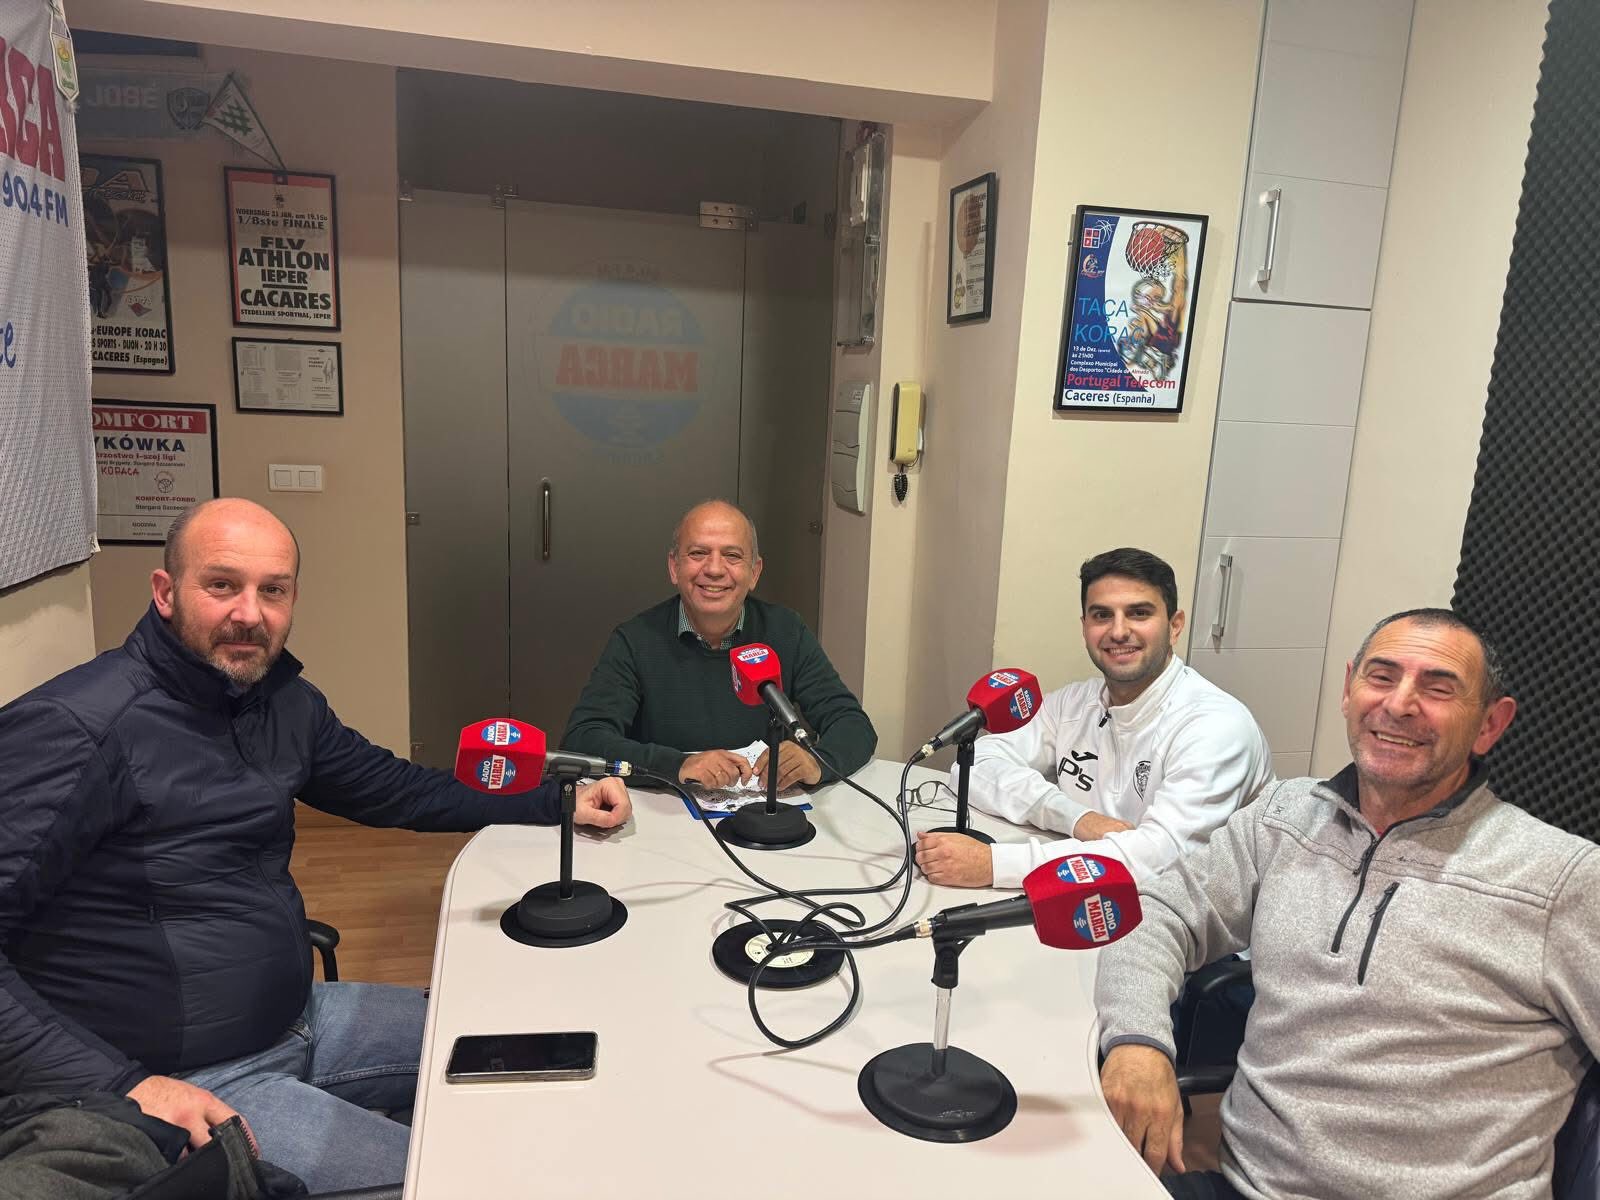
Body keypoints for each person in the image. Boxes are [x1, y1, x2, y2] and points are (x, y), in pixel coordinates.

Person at [0, 498, 631, 1194]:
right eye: (222, 585)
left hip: (300, 1016)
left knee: (568, 1052)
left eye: (272, 590)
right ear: (165, 592)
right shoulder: (77, 728)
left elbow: (400, 791)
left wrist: (555, 801)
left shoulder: (281, 703)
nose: (250, 613)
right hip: (188, 1080)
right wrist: (128, 1087)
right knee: (470, 1184)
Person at [1096, 608, 1600, 1200]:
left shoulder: (1563, 879)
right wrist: (1136, 1042)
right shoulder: (1285, 817)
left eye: (1438, 688)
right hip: (1248, 1187)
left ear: (1490, 724)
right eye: (1381, 677)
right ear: (1348, 689)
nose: (1400, 704)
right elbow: (1156, 912)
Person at [916, 548, 1272, 889]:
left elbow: (1160, 860)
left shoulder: (1216, 726)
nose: (1118, 631)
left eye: (1139, 613)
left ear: (1175, 626)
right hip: (1090, 897)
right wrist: (1076, 818)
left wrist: (994, 865)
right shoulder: (1074, 703)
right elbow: (975, 766)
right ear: (1084, 626)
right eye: (1102, 615)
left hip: (1198, 923)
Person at [563, 499, 876, 789]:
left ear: (754, 573)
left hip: (763, 812)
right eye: (698, 553)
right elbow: (583, 739)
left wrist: (816, 762)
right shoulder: (635, 640)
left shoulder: (786, 631)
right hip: (666, 812)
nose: (714, 569)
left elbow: (853, 724)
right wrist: (678, 766)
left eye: (732, 556)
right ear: (674, 567)